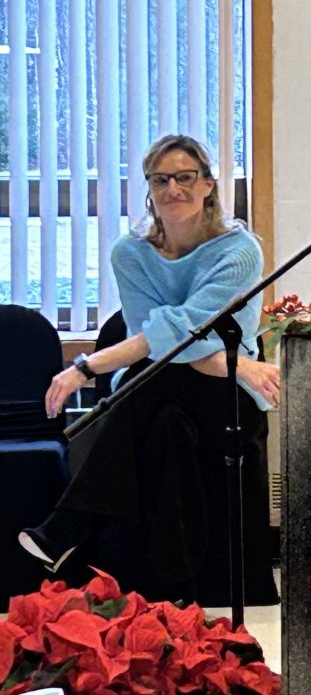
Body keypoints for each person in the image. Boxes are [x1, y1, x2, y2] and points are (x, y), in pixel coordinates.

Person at [19, 135, 280, 604]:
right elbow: (164, 337)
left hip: (223, 394)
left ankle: (67, 527)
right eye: (161, 180)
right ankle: (179, 589)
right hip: (173, 385)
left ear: (208, 185)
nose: (172, 189)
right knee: (165, 424)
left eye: (184, 177)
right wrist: (237, 363)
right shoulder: (131, 254)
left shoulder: (238, 251)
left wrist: (84, 367)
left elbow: (176, 334)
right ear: (148, 188)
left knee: (155, 383)